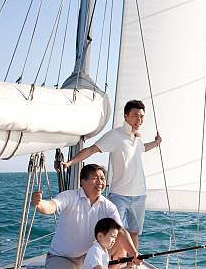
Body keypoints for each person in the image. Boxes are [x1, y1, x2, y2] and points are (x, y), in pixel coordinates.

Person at [62, 100, 160, 252]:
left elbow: (143, 148)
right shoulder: (115, 135)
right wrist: (69, 163)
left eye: (141, 117)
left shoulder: (137, 138)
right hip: (119, 195)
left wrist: (156, 142)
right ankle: (108, 265)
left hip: (140, 195)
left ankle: (131, 265)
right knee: (113, 233)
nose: (139, 120)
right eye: (135, 116)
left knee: (134, 233)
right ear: (126, 116)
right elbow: (91, 150)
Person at [32, 163, 139, 269]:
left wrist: (134, 254)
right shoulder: (70, 196)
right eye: (95, 178)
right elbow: (51, 206)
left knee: (120, 244)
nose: (100, 182)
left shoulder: (109, 206)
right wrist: (39, 204)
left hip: (94, 255)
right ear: (83, 181)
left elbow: (121, 231)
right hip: (64, 257)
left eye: (102, 178)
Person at [79, 217, 170, 269]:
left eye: (115, 237)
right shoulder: (95, 251)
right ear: (100, 236)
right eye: (112, 236)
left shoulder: (104, 250)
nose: (114, 240)